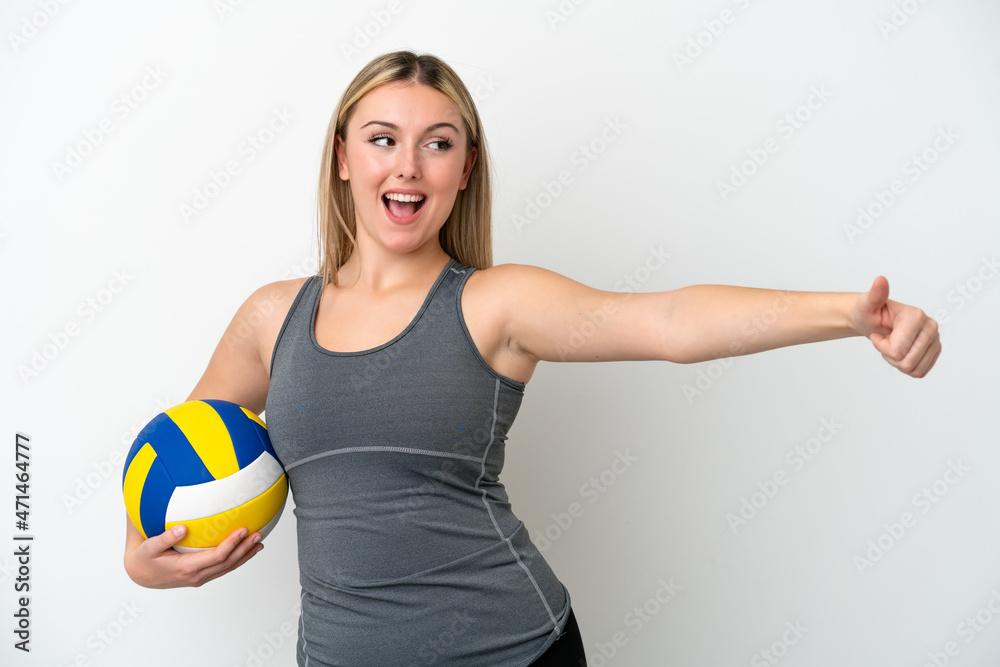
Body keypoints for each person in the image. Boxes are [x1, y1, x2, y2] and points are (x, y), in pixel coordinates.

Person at [123, 51, 941, 665]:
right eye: (383, 139)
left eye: (437, 144)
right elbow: (178, 459)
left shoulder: (494, 304)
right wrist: (139, 552)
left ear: (464, 168)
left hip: (509, 648)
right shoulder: (273, 318)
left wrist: (850, 314)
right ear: (344, 157)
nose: (407, 165)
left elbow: (667, 320)